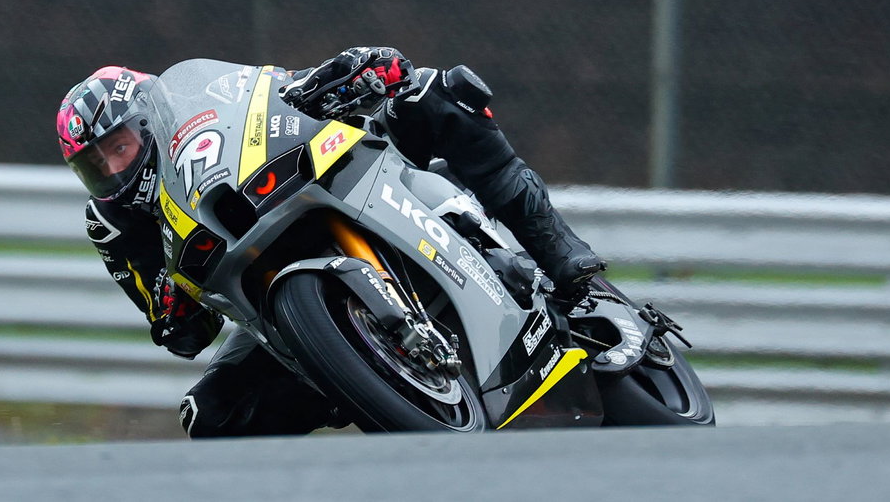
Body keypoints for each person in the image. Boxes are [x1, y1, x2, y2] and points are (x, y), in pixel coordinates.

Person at [56, 47, 606, 437]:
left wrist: (346, 75)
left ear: (146, 121)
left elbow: (273, 92)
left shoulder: (204, 99)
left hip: (323, 180)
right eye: (94, 165)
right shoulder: (114, 225)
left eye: (118, 146)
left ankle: (560, 257)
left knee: (437, 93)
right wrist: (172, 309)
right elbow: (182, 332)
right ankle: (357, 390)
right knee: (209, 415)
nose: (111, 168)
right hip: (264, 300)